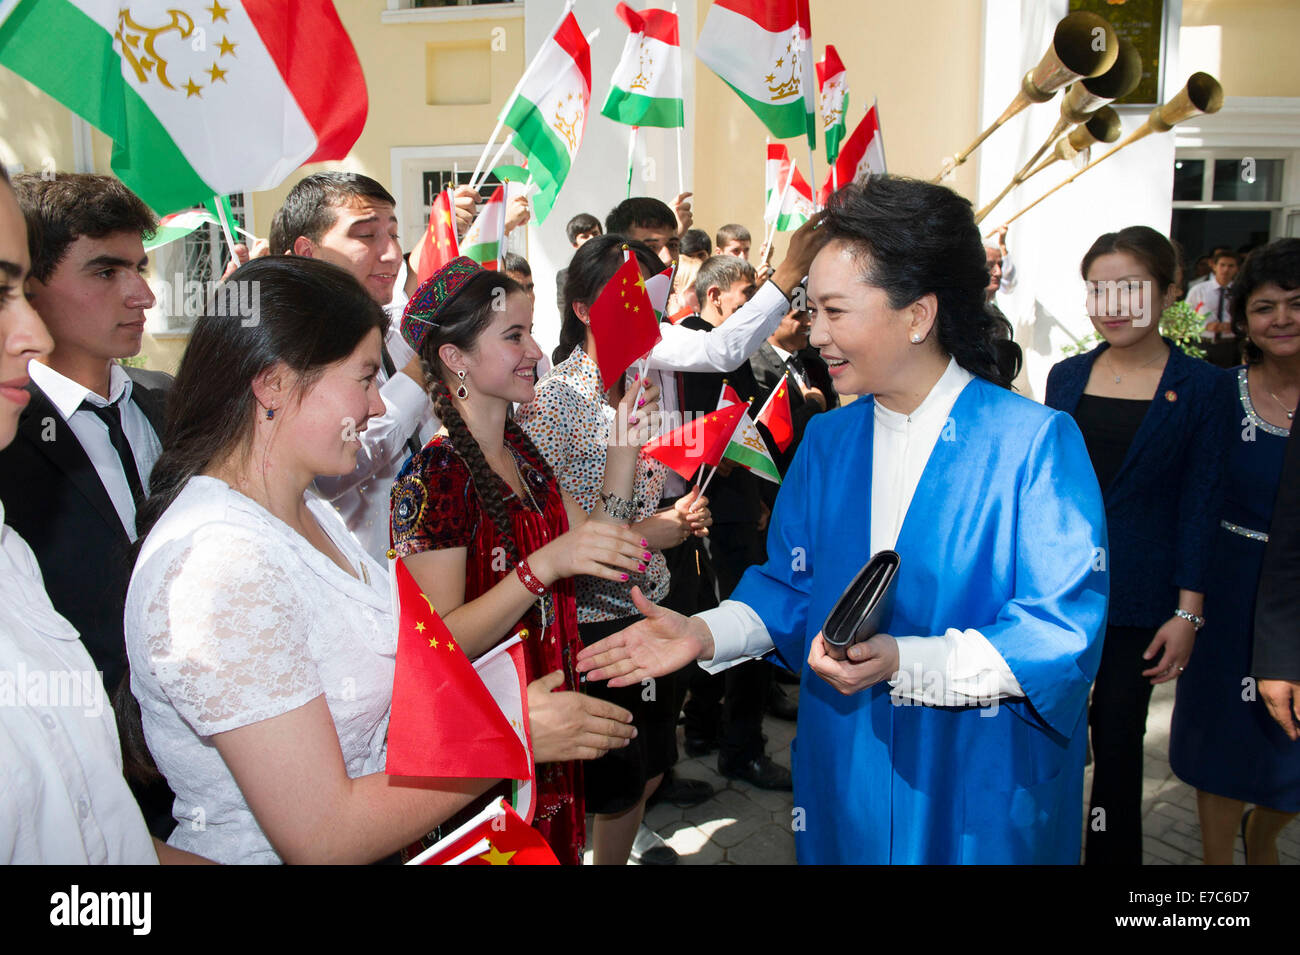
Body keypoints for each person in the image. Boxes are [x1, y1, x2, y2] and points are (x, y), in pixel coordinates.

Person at [578, 176, 1109, 864]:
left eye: (835, 311)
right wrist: (702, 632)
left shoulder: (1033, 445)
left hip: (975, 782)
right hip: (848, 771)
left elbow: (1058, 633)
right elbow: (791, 592)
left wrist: (905, 662)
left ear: (917, 315)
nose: (816, 334)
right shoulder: (829, 442)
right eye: (811, 309)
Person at [124, 257, 488, 864]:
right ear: (273, 384)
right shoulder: (220, 565)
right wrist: (504, 740)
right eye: (365, 378)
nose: (377, 406)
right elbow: (322, 837)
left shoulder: (306, 508)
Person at [389, 257, 652, 864]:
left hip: (545, 728)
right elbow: (439, 643)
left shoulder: (520, 449)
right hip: (487, 743)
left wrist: (623, 446)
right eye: (514, 335)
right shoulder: (435, 476)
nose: (536, 349)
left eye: (530, 331)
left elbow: (600, 544)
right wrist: (542, 569)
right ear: (455, 358)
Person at [0, 165, 206, 865]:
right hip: (78, 786)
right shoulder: (9, 435)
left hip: (207, 755)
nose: (141, 293)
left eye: (140, 268)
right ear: (33, 283)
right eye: (105, 271)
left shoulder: (172, 402)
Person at [517, 237, 713, 865]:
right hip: (593, 621)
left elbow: (638, 495)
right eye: (623, 297)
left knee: (652, 759)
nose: (639, 311)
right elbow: (561, 530)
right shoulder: (553, 403)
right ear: (581, 309)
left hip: (650, 600)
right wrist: (651, 532)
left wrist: (675, 517)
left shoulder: (635, 386)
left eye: (647, 297)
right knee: (610, 773)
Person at [1045, 225, 1235, 865]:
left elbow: (1201, 502)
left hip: (1142, 600)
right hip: (1058, 589)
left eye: (1130, 286)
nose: (1112, 303)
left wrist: (1187, 612)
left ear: (1170, 291)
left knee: (1119, 741)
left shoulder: (1204, 387)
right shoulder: (1066, 377)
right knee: (1049, 732)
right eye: (1098, 289)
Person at [1169, 238, 1300, 864]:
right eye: (1265, 307)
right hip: (1226, 591)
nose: (1281, 319)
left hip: (1296, 597)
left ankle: (1267, 834)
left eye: (1297, 304)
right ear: (1244, 318)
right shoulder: (1220, 395)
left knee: (1291, 751)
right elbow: (1189, 497)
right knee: (1221, 742)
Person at [269, 172, 436, 563]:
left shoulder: (400, 334)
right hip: (362, 584)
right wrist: (415, 379)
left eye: (393, 235)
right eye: (366, 236)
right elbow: (331, 475)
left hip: (434, 578)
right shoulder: (285, 353)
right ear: (308, 251)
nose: (392, 254)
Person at [676, 255, 792, 790]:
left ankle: (709, 732)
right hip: (709, 517)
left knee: (719, 621)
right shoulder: (695, 345)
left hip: (736, 511)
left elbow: (746, 431)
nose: (754, 311)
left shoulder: (730, 351)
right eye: (748, 297)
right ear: (716, 296)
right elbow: (708, 437)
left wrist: (759, 492)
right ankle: (738, 749)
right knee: (743, 627)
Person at [1186, 249, 1241, 368]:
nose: (1226, 270)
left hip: (1229, 345)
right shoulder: (1199, 290)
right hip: (1203, 342)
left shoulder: (1239, 292)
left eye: (1231, 266)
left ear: (1237, 269)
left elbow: (1246, 319)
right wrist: (1204, 326)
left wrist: (1233, 326)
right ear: (1214, 266)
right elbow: (1185, 318)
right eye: (1222, 265)